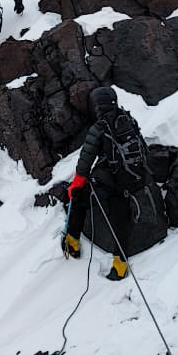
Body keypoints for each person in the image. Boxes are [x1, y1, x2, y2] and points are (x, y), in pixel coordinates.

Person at [60, 85, 150, 281]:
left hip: (110, 182)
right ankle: (120, 264)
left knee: (79, 199)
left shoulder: (99, 128)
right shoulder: (128, 119)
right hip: (132, 180)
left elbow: (85, 163)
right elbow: (143, 149)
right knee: (121, 218)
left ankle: (72, 241)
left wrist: (76, 185)